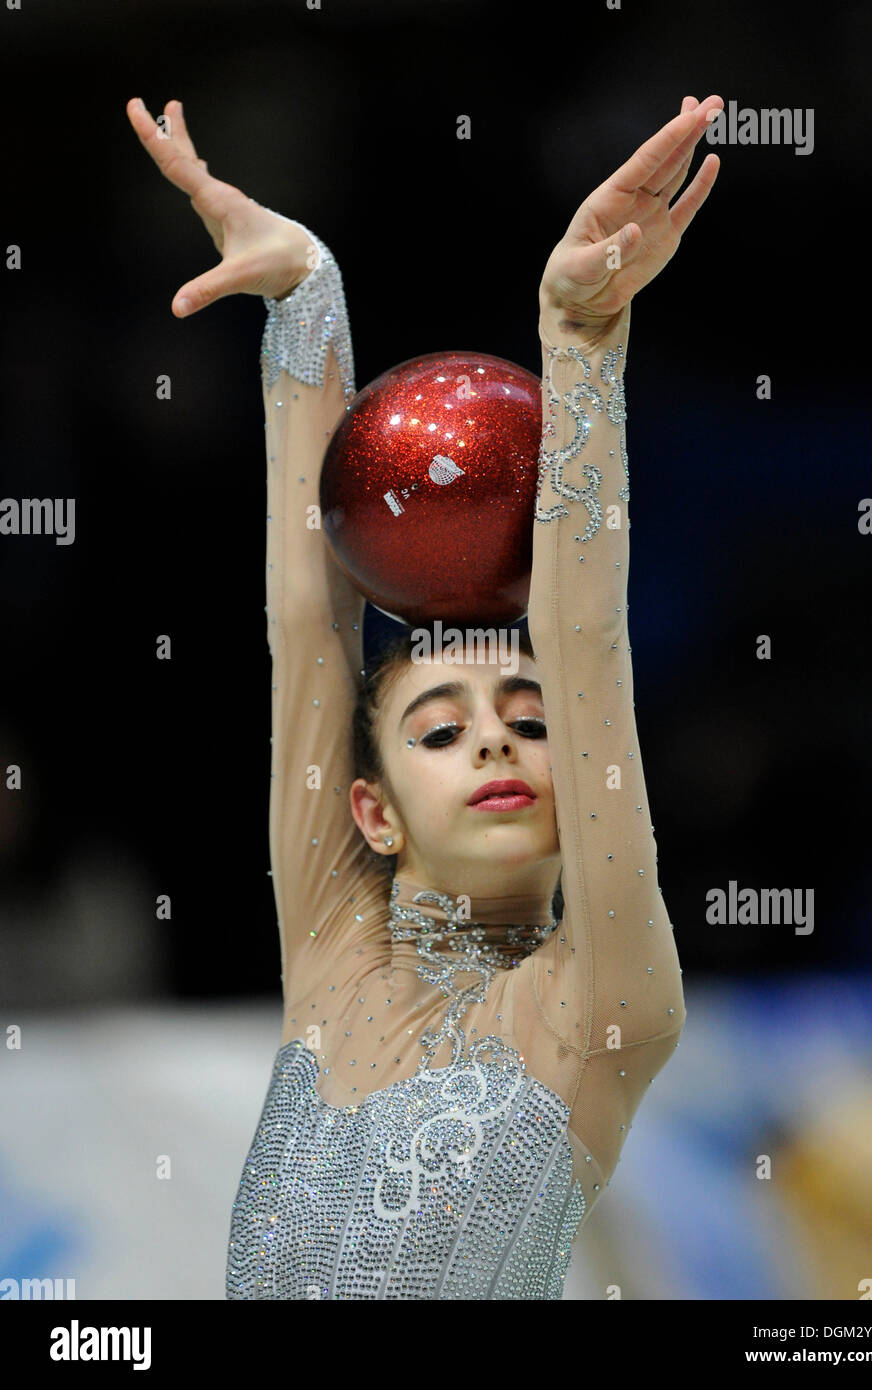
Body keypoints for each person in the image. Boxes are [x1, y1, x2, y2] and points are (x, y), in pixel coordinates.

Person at [127, 91, 722, 1300]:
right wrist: (305, 294)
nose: (499, 734)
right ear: (372, 813)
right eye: (443, 730)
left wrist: (581, 340)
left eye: (530, 722)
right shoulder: (334, 957)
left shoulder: (597, 1012)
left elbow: (586, 641)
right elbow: (310, 627)